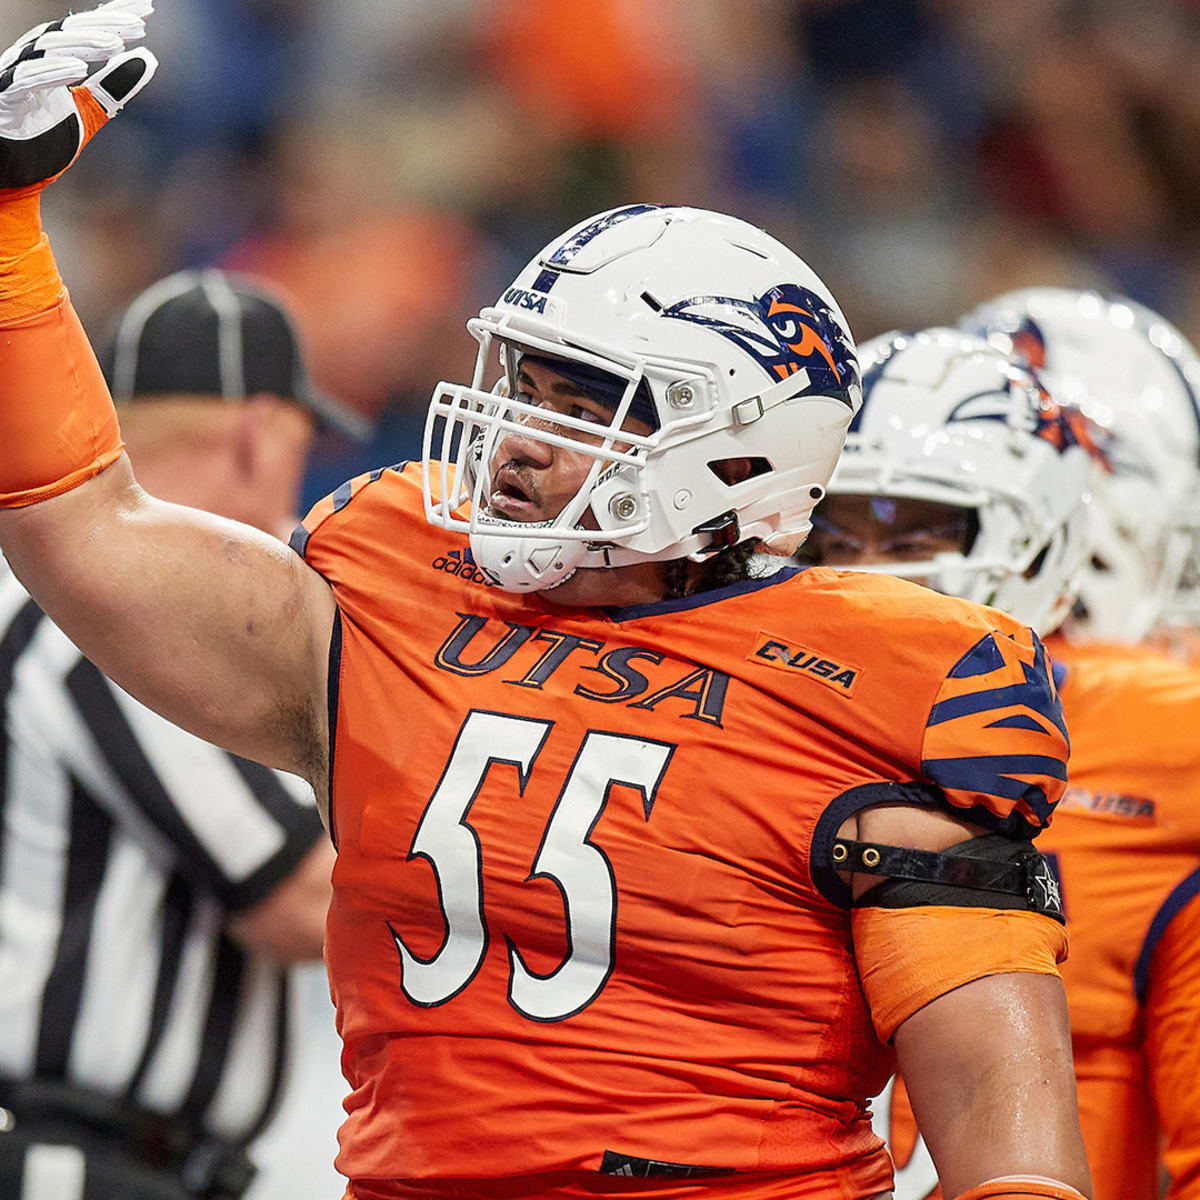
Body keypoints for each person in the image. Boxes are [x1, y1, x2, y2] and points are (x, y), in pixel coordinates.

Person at [0, 7, 1092, 1200]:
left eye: (580, 404)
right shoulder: (397, 587)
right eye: (521, 384)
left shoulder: (886, 683)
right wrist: (8, 235)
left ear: (735, 447)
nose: (515, 437)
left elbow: (1010, 1156)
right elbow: (80, 524)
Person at [807, 315, 1200, 1200]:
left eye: (918, 537)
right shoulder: (713, 704)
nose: (870, 578)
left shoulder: (1161, 741)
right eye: (835, 537)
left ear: (1050, 546)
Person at [0, 263, 346, 1198]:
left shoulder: (65, 596)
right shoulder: (108, 612)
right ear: (254, 439)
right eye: (302, 443)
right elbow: (296, 902)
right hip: (78, 1160)